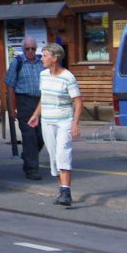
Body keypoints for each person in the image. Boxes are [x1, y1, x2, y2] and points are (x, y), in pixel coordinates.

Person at [27, 43, 83, 207]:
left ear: (55, 58)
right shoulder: (43, 75)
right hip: (47, 121)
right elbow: (44, 97)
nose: (41, 58)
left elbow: (78, 102)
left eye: (44, 56)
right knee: (54, 157)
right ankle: (62, 190)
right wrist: (36, 115)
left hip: (64, 120)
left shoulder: (68, 77)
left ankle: (66, 191)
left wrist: (75, 124)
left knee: (63, 153)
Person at [4, 37, 45, 180]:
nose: (30, 51)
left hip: (41, 103)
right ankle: (31, 169)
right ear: (23, 49)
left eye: (33, 48)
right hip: (24, 102)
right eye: (27, 48)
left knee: (42, 136)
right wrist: (11, 108)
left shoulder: (42, 62)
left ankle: (28, 156)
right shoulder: (18, 62)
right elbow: (10, 86)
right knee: (29, 137)